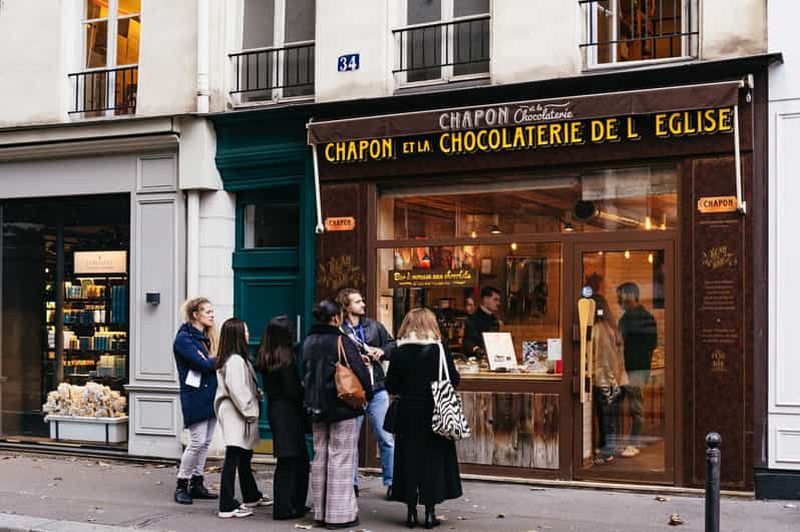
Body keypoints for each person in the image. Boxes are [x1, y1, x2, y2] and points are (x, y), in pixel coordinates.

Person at [385, 308, 463, 529]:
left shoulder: (399, 351)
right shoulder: (439, 349)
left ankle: (410, 512)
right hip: (435, 410)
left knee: (408, 459)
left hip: (408, 412)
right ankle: (430, 513)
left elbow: (391, 385)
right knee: (432, 461)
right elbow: (453, 379)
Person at [304, 299, 373, 530]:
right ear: (336, 317)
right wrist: (369, 392)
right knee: (341, 459)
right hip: (342, 407)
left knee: (320, 458)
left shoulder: (308, 341)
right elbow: (360, 372)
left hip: (316, 407)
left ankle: (320, 512)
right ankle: (339, 515)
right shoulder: (341, 340)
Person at [336, 288, 395, 499]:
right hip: (354, 391)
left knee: (386, 437)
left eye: (362, 300)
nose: (363, 304)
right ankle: (351, 484)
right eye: (357, 302)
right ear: (346, 306)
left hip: (377, 388)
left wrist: (382, 351)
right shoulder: (339, 330)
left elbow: (392, 344)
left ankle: (392, 482)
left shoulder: (373, 326)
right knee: (351, 440)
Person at [214, 317, 271, 519]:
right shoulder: (235, 361)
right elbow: (237, 390)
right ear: (237, 335)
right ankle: (227, 504)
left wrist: (255, 393)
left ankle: (250, 494)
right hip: (236, 413)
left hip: (235, 411)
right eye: (244, 331)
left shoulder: (234, 359)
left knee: (243, 456)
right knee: (234, 456)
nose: (248, 334)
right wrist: (250, 411)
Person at [257, 315, 310, 520]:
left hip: (277, 410)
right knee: (295, 460)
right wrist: (303, 388)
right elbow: (292, 391)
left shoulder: (268, 355)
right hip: (289, 412)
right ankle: (287, 506)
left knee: (287, 460)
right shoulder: (286, 359)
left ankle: (288, 505)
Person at [172, 297, 219, 505]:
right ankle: (182, 483)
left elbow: (209, 363)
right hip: (195, 396)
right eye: (207, 312)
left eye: (212, 311)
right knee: (197, 442)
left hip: (211, 394)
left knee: (206, 442)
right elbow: (203, 364)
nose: (212, 315)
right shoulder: (184, 339)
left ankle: (197, 482)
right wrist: (222, 356)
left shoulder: (206, 337)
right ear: (195, 315)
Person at [616, 282, 658, 458]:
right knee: (632, 407)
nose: (619, 301)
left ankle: (632, 444)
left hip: (631, 368)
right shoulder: (647, 316)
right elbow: (653, 344)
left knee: (633, 408)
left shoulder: (628, 319)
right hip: (638, 367)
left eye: (620, 297)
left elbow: (618, 343)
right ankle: (626, 442)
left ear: (630, 296)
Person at [591, 294, 627, 465]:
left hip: (606, 381)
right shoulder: (610, 326)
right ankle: (607, 450)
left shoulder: (600, 329)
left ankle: (607, 453)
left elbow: (604, 361)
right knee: (609, 419)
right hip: (615, 381)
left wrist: (605, 387)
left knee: (606, 419)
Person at [462, 286, 501, 362]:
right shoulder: (472, 319)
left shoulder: (495, 320)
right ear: (485, 299)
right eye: (495, 299)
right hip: (477, 361)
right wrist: (477, 350)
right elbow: (468, 340)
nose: (498, 303)